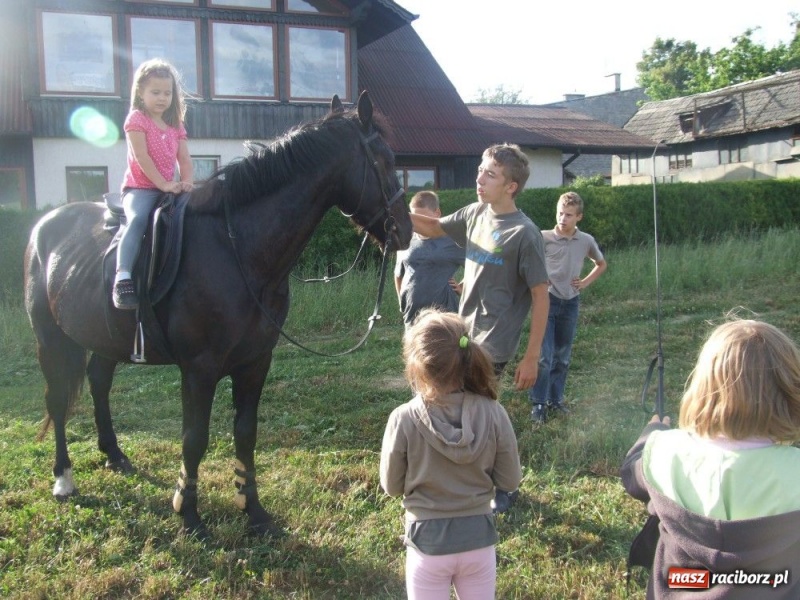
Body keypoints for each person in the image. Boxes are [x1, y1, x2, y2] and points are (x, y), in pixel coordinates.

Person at [620, 318, 800, 599]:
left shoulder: (664, 451)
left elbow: (631, 473)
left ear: (703, 388)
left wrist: (652, 432)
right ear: (790, 392)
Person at [380, 308, 523, 600]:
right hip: (479, 542)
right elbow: (510, 480)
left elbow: (392, 487)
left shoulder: (403, 418)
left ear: (417, 365)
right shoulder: (494, 413)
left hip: (427, 545)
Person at [409, 143, 549, 390]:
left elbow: (540, 296)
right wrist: (389, 211)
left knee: (474, 411)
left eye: (490, 175)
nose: (479, 179)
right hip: (463, 335)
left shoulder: (525, 233)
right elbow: (432, 227)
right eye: (480, 170)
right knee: (454, 405)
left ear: (511, 187)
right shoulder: (475, 213)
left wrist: (531, 358)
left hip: (494, 346)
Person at [113, 58, 193, 310]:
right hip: (140, 188)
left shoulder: (175, 125)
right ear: (140, 92)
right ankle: (122, 276)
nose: (162, 98)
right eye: (155, 92)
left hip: (169, 187)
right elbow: (142, 157)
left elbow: (185, 158)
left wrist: (187, 181)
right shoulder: (136, 119)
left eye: (167, 93)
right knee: (137, 219)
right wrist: (165, 184)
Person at [529, 191, 607, 424]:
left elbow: (601, 264)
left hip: (570, 302)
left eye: (569, 215)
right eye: (560, 213)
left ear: (579, 217)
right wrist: (540, 279)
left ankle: (556, 399)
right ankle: (539, 403)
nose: (563, 218)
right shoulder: (543, 237)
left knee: (562, 356)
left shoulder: (586, 241)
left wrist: (584, 282)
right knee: (545, 355)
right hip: (547, 301)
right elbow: (529, 262)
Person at [394, 191, 465, 329]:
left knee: (444, 349)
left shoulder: (452, 240)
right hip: (412, 313)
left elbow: (478, 265)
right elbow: (398, 274)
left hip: (444, 314)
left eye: (423, 216)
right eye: (414, 216)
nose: (418, 221)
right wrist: (401, 300)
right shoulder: (406, 240)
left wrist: (462, 287)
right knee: (415, 349)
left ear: (437, 213)